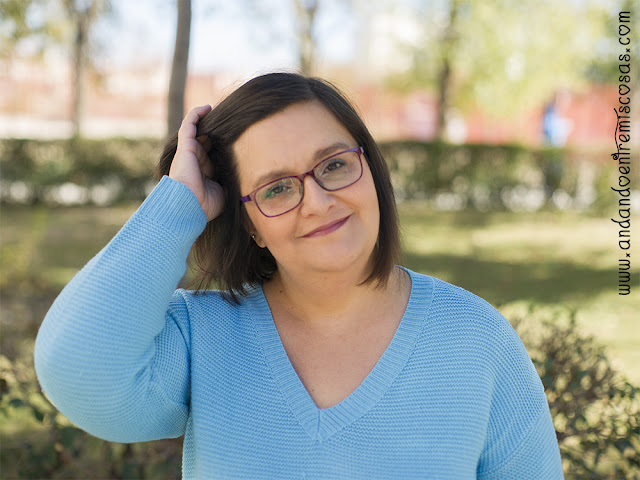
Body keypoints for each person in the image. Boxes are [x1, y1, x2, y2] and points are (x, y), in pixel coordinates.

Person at [35, 72, 563, 479]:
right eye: (277, 189)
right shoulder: (204, 338)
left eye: (333, 165)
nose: (318, 202)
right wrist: (181, 206)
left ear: (370, 170)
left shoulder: (474, 339)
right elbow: (75, 366)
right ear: (252, 226)